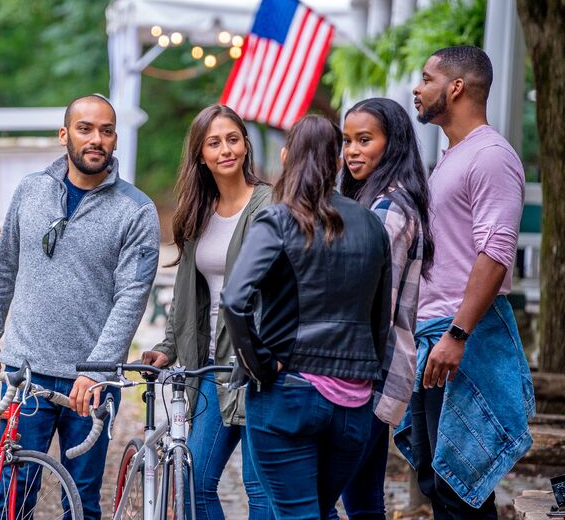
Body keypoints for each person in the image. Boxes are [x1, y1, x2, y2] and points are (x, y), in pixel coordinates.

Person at [0, 94, 160, 520]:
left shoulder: (137, 210)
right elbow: (3, 269)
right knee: (12, 499)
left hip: (88, 386)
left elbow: (133, 296)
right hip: (24, 376)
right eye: (85, 128)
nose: (96, 139)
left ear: (115, 141)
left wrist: (98, 368)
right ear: (64, 135)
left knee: (82, 503)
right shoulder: (31, 191)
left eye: (106, 131)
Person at [220, 115, 391, 519]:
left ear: (286, 157)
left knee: (296, 513)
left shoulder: (279, 219)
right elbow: (381, 316)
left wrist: (260, 366)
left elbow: (234, 300)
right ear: (336, 162)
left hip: (289, 393)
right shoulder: (371, 223)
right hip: (354, 402)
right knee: (318, 510)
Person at [394, 46, 533, 518]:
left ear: (456, 88)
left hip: (461, 338)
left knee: (460, 487)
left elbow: (495, 253)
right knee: (438, 481)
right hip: (433, 334)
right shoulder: (454, 156)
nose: (418, 87)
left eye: (427, 78)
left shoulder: (491, 156)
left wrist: (457, 335)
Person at [139, 105, 272, 520]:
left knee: (260, 487)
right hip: (212, 368)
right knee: (192, 479)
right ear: (200, 155)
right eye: (214, 143)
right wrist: (168, 346)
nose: (225, 149)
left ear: (246, 145)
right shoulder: (198, 211)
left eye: (233, 139)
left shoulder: (270, 205)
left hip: (259, 368)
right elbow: (186, 293)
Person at [328, 97, 434, 519]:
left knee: (315, 501)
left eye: (365, 140)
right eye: (347, 141)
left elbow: (375, 307)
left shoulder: (388, 211)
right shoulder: (381, 203)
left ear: (392, 144)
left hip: (366, 375)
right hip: (377, 370)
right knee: (363, 499)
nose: (351, 151)